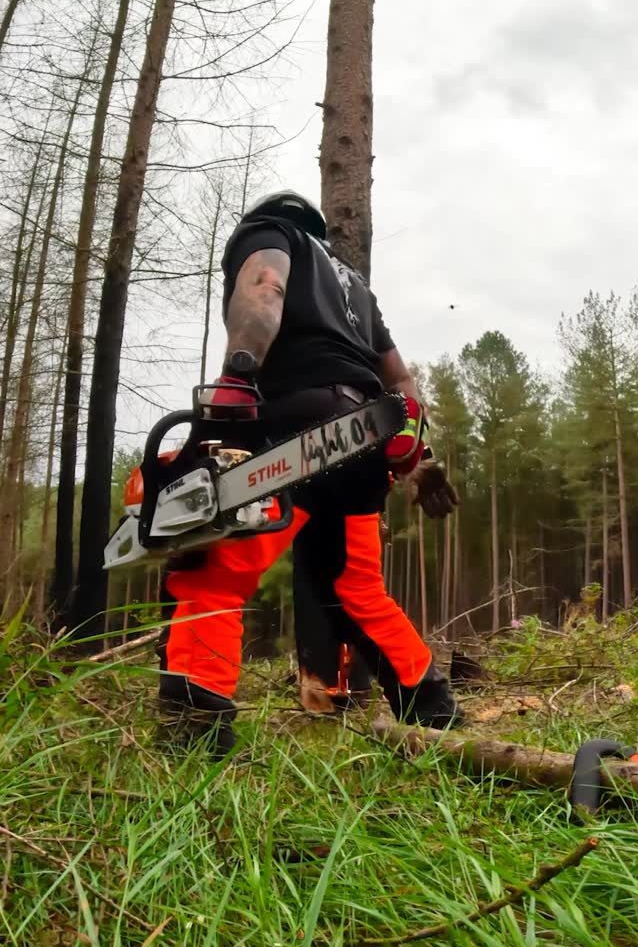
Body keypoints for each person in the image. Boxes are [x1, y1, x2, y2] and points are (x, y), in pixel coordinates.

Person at [157, 191, 461, 755]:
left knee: (210, 575)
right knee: (358, 589)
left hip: (290, 427)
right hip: (364, 437)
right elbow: (402, 383)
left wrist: (240, 373)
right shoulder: (357, 289)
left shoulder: (272, 236)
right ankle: (435, 712)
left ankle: (195, 736)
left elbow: (264, 287)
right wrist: (415, 456)